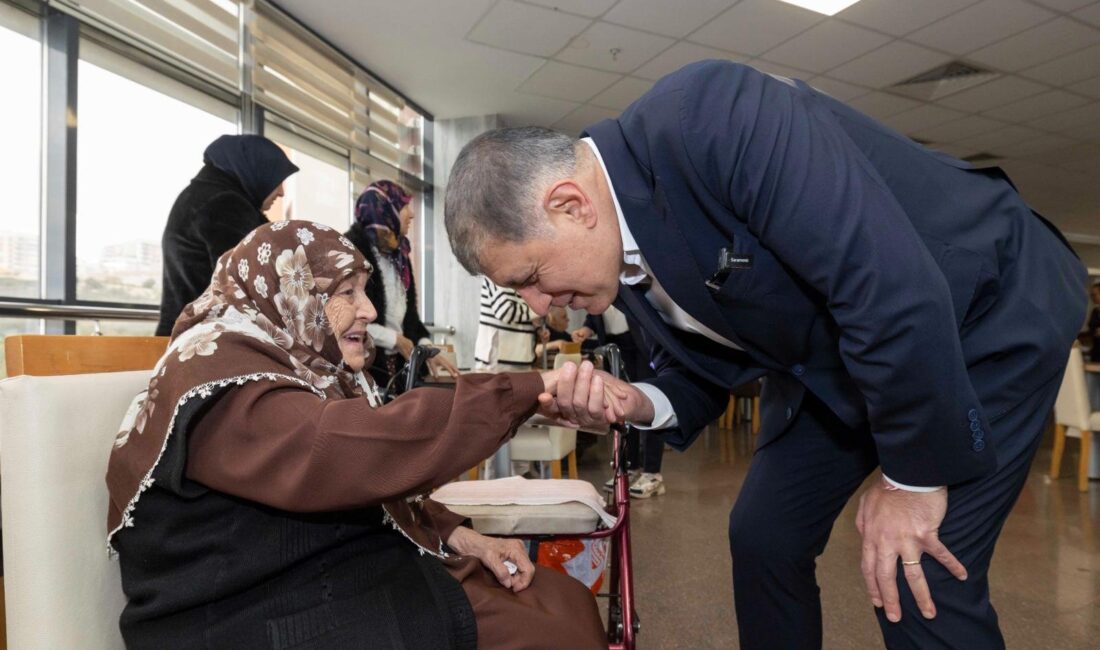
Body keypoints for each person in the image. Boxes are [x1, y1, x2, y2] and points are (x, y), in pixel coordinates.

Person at [443, 60, 1087, 649]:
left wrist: (910, 484)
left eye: (531, 276)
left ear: (570, 204)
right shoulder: (616, 252)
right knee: (764, 536)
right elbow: (702, 369)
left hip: (984, 309)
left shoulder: (711, 116)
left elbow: (887, 285)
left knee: (917, 565)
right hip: (840, 354)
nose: (536, 305)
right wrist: (635, 402)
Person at [108, 222, 606, 649]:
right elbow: (345, 452)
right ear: (290, 292)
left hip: (319, 575)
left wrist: (462, 536)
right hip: (246, 617)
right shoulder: (219, 377)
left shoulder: (293, 366)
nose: (368, 310)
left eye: (364, 291)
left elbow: (357, 481)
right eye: (347, 293)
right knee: (550, 628)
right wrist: (528, 389)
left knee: (562, 601)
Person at [156, 134, 299, 336]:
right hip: (206, 340)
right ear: (258, 171)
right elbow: (247, 286)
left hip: (187, 337)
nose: (281, 192)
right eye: (277, 179)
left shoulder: (200, 196)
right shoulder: (225, 204)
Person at [345, 180, 458, 386]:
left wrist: (426, 348)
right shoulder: (351, 252)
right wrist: (394, 339)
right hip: (365, 365)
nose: (412, 214)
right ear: (386, 211)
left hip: (397, 367)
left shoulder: (400, 255)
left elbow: (410, 318)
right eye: (404, 206)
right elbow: (344, 318)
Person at [574, 307, 666, 498]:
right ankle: (631, 467)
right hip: (613, 346)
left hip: (641, 344)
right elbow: (596, 313)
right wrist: (587, 329)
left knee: (649, 403)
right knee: (623, 408)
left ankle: (652, 473)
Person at [474, 277, 537, 371]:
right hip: (497, 359)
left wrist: (537, 327)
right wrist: (537, 312)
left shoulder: (523, 277)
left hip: (522, 356)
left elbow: (524, 314)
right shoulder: (494, 274)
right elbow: (505, 311)